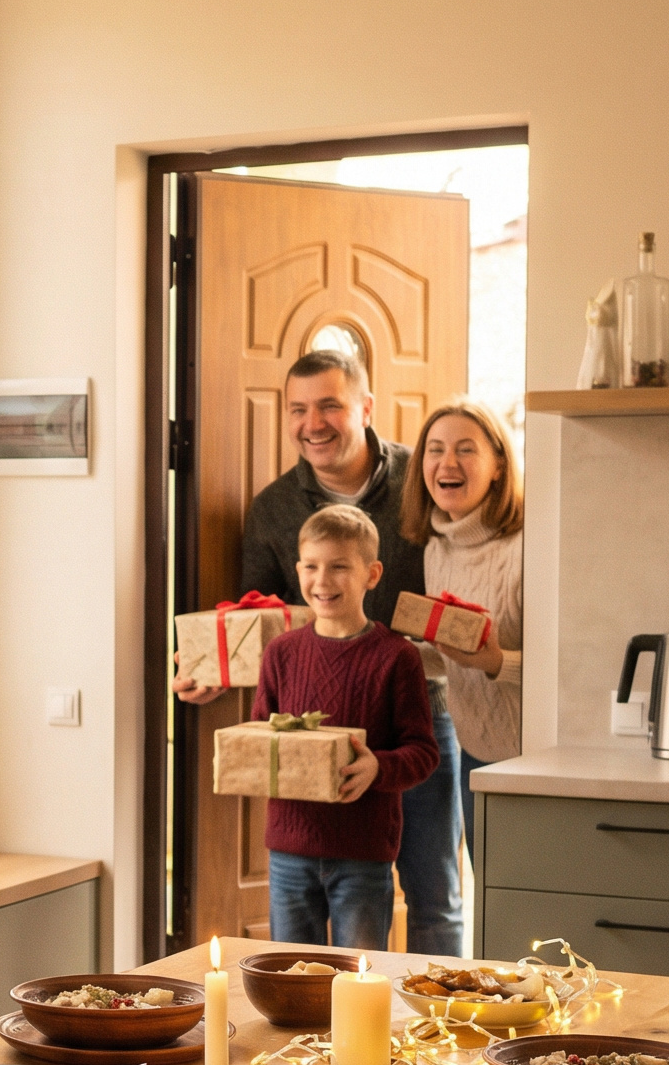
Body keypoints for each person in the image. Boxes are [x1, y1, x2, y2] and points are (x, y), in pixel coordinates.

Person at [178, 348, 465, 955]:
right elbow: (259, 622)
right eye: (298, 409)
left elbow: (472, 555)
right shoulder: (273, 508)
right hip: (319, 729)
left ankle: (441, 1032)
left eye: (330, 405)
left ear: (365, 406)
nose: (314, 423)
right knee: (318, 908)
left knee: (433, 894)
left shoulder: (422, 482)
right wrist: (212, 671)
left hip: (418, 707)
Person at [253, 505, 440, 948]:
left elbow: (423, 751)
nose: (322, 581)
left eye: (339, 567)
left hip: (364, 853)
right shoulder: (280, 653)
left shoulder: (398, 657)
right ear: (298, 570)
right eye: (312, 567)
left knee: (360, 980)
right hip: (288, 852)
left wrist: (379, 767)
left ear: (371, 574)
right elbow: (262, 738)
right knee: (289, 978)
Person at [398, 399, 524, 862]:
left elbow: (568, 670)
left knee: (538, 917)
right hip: (476, 752)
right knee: (494, 904)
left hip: (530, 761)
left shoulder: (528, 545)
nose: (446, 463)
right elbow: (454, 656)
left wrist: (493, 662)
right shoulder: (438, 547)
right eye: (435, 450)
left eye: (465, 450)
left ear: (498, 465)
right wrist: (386, 650)